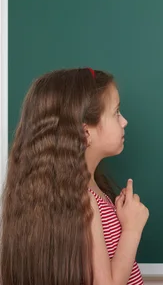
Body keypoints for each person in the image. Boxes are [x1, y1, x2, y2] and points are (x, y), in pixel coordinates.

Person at [1, 68, 149, 285]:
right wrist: (132, 229)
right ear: (85, 132)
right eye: (116, 112)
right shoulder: (84, 199)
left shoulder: (85, 189)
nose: (124, 121)